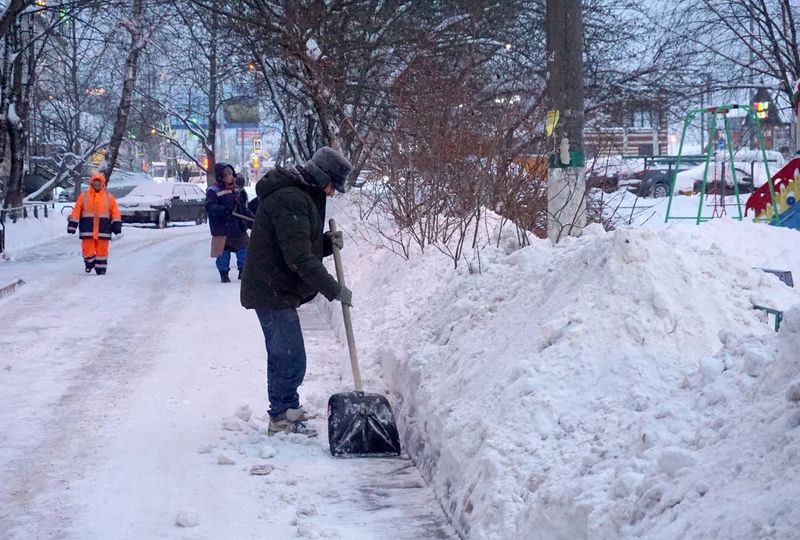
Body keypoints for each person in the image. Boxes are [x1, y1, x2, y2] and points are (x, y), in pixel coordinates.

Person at [240, 146, 352, 437]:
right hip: (270, 288)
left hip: (278, 287)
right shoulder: (291, 198)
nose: (332, 192)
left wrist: (326, 243)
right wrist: (333, 289)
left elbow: (300, 244)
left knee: (288, 354)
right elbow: (298, 257)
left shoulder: (302, 194)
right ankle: (281, 416)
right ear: (320, 176)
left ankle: (285, 408)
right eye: (332, 185)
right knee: (288, 356)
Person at [67, 172, 122, 275]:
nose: (97, 185)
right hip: (87, 229)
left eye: (99, 183)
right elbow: (77, 210)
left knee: (102, 251)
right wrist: (72, 225)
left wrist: (117, 223)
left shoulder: (109, 197)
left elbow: (115, 211)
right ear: (91, 184)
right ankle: (89, 262)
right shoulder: (84, 196)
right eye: (95, 183)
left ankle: (101, 268)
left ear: (103, 184)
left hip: (103, 229)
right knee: (87, 249)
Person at [205, 162, 252, 282]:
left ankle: (244, 271)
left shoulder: (236, 190)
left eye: (231, 174)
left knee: (244, 250)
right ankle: (224, 273)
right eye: (227, 174)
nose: (231, 177)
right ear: (221, 176)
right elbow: (210, 207)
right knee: (223, 253)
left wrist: (252, 218)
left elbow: (242, 207)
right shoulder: (213, 190)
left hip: (237, 228)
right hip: (222, 229)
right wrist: (224, 210)